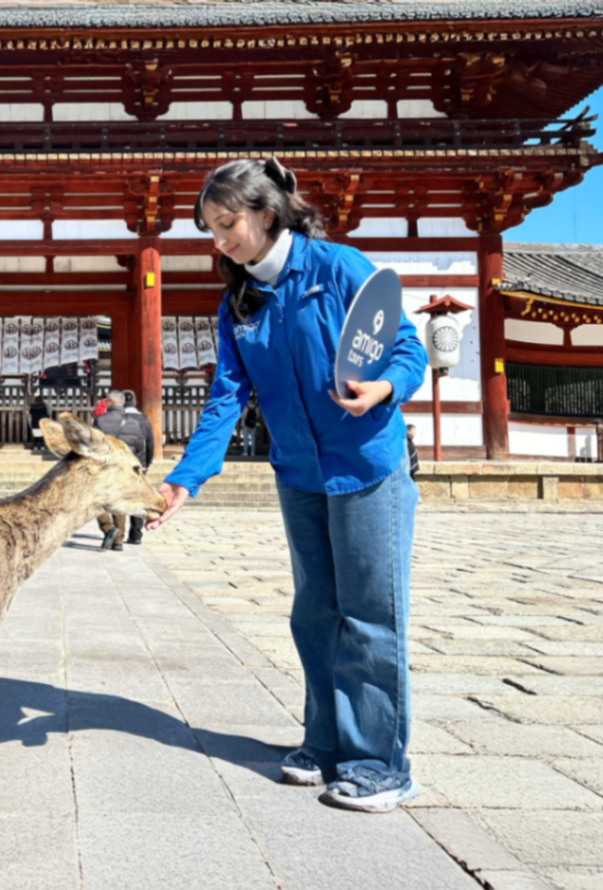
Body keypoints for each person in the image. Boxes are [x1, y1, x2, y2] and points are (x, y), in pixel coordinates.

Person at [151, 157, 428, 814]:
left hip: (366, 467)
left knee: (368, 617)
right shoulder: (238, 302)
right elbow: (225, 398)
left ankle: (382, 763)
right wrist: (184, 480)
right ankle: (326, 742)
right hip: (300, 475)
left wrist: (385, 387)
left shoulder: (339, 269)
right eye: (210, 230)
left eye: (227, 224)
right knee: (315, 614)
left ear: (267, 212)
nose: (219, 240)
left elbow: (408, 348)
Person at [93, 389, 154, 550]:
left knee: (95, 500)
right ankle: (119, 541)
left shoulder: (100, 420)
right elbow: (141, 447)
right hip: (127, 467)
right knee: (119, 501)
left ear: (111, 402)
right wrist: (140, 466)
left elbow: (94, 446)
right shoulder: (136, 422)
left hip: (107, 466)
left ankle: (108, 528)